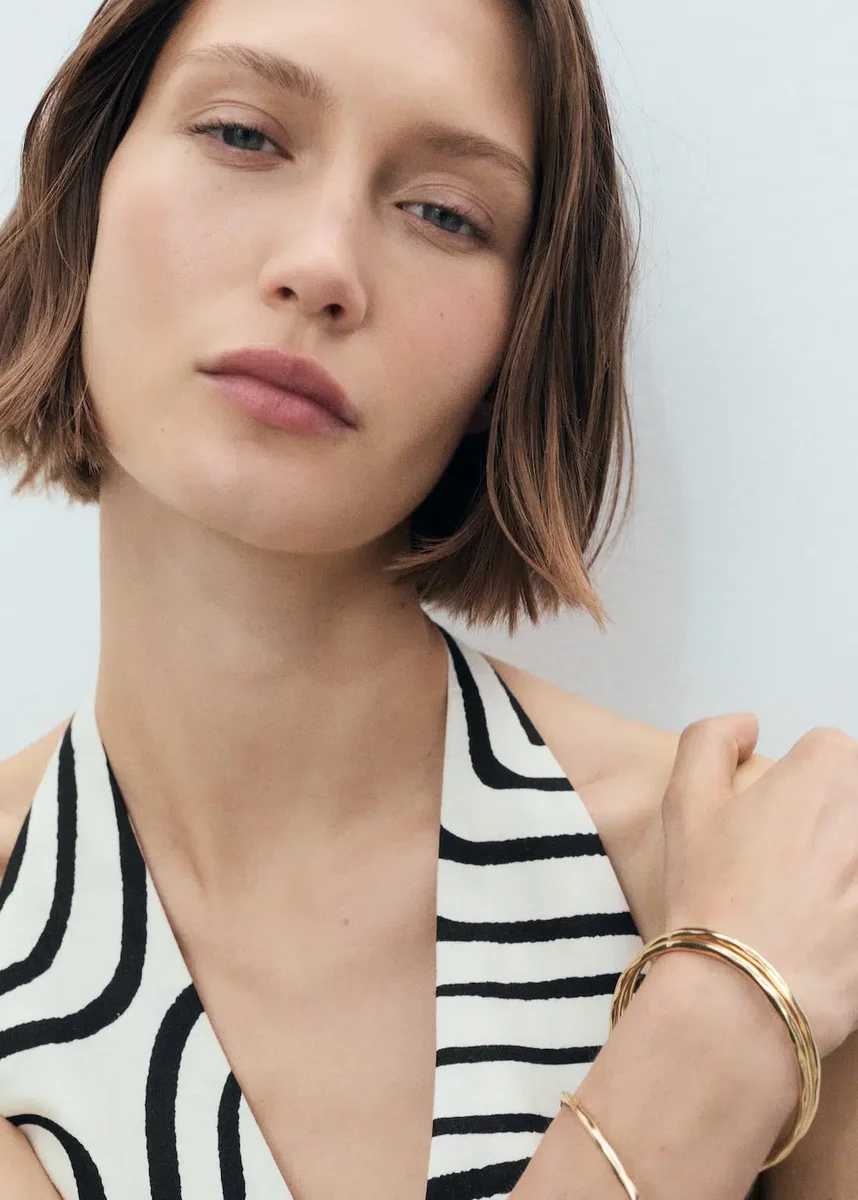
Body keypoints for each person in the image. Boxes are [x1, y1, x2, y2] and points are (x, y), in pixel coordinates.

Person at [0, 0, 857, 1198]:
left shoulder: (766, 874)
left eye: (446, 214)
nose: (321, 266)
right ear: (85, 181)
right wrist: (713, 1034)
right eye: (245, 135)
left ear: (519, 340)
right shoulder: (756, 950)